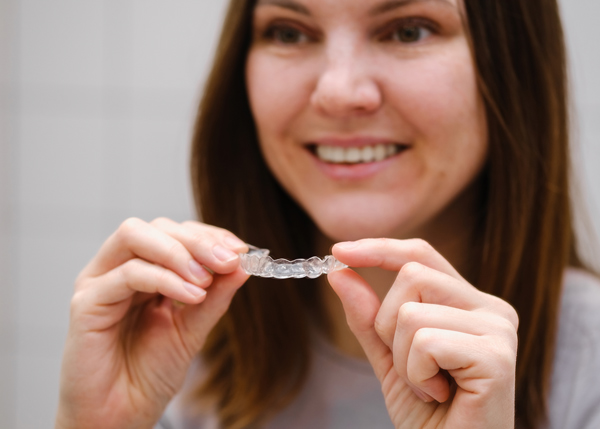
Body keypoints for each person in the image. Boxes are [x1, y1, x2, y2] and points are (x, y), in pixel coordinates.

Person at [55, 0, 600, 428]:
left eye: (408, 29)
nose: (338, 92)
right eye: (289, 32)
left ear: (515, 66)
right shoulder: (177, 352)